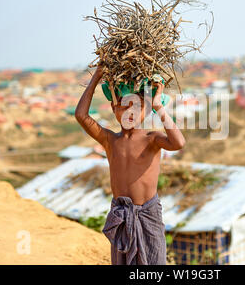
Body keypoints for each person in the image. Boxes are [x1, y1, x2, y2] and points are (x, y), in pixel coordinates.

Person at [75, 64, 185, 265]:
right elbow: (81, 116)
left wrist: (159, 106)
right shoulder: (110, 140)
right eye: (123, 106)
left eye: (137, 105)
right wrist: (96, 78)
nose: (129, 112)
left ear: (148, 108)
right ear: (113, 108)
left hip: (148, 214)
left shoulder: (152, 139)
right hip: (121, 214)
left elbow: (179, 143)